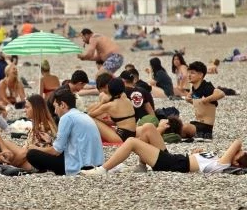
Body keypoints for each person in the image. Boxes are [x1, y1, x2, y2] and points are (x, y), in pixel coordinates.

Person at [81, 123, 247, 175]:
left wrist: (239, 152)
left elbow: (237, 141)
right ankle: (141, 166)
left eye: (238, 154)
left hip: (172, 164)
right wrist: (196, 153)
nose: (236, 151)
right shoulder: (221, 161)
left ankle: (102, 170)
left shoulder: (223, 164)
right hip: (177, 159)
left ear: (237, 162)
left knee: (132, 142)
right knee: (148, 128)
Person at [25, 88, 104, 176]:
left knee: (32, 154)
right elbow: (74, 144)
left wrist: (36, 148)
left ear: (62, 105)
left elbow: (56, 151)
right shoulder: (82, 115)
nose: (55, 111)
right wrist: (51, 141)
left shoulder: (67, 118)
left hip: (79, 166)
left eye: (55, 107)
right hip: (96, 163)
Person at [0, 94, 57, 170]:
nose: (25, 110)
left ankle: (4, 165)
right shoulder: (41, 123)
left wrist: (13, 163)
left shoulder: (42, 127)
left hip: (35, 163)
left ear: (36, 109)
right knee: (2, 142)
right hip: (31, 158)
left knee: (8, 147)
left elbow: (28, 153)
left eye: (27, 107)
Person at [181, 61, 225, 140]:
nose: (189, 75)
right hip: (198, 123)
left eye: (192, 73)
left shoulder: (206, 86)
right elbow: (199, 103)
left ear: (201, 75)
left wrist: (206, 100)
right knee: (177, 127)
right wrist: (188, 99)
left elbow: (221, 93)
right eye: (189, 73)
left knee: (184, 128)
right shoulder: (194, 88)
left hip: (206, 128)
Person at [87, 77, 137, 143]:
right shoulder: (126, 99)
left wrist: (102, 102)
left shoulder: (109, 105)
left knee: (92, 119)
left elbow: (89, 114)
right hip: (133, 134)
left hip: (120, 137)